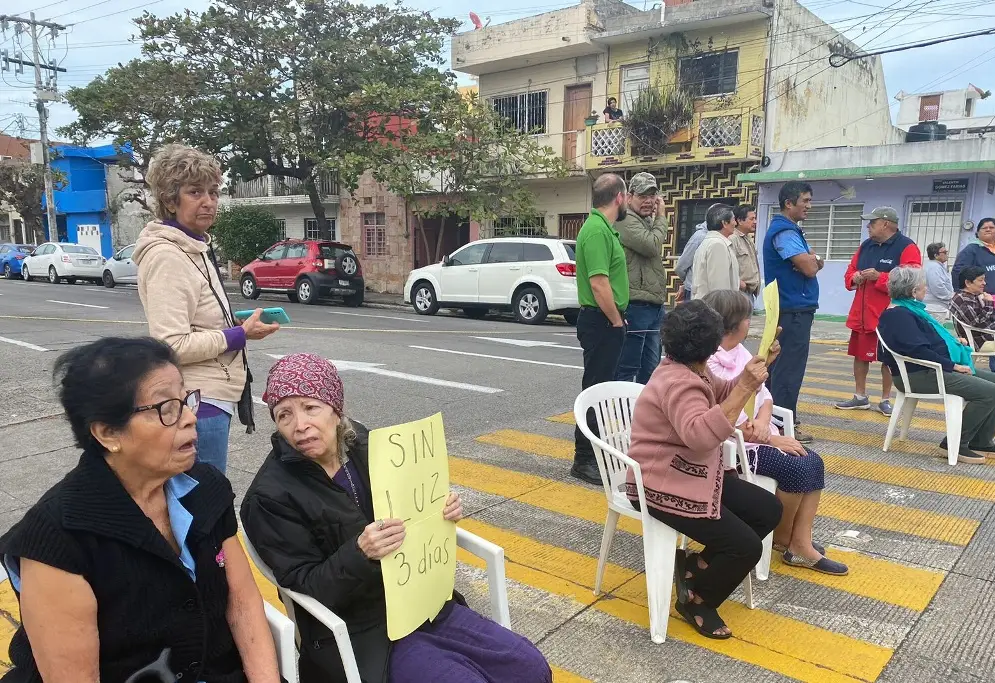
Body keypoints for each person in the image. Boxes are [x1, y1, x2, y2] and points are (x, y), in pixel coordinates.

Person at [241, 353, 552, 683]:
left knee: (529, 666)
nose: (299, 425)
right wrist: (359, 553)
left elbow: (409, 504)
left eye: (310, 408)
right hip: (365, 632)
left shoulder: (363, 443)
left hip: (422, 602)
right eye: (284, 415)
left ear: (335, 408)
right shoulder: (270, 496)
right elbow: (304, 586)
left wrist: (441, 511)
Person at [0, 337, 280, 683]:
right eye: (166, 407)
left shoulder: (205, 488)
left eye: (185, 399)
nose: (190, 417)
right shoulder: (57, 540)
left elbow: (242, 603)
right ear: (107, 433)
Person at [626, 301, 783, 639]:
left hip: (687, 472)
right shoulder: (678, 382)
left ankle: (695, 567)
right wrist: (744, 388)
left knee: (768, 510)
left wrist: (754, 373)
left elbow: (719, 393)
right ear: (711, 344)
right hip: (659, 482)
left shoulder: (691, 369)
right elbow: (699, 437)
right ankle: (697, 600)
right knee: (746, 547)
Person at [136, 144, 279, 473]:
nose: (209, 202)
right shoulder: (167, 255)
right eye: (195, 192)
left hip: (212, 397)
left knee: (204, 498)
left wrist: (240, 329)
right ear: (170, 199)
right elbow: (171, 344)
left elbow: (201, 318)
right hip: (197, 402)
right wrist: (237, 336)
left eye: (213, 192)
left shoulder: (194, 246)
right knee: (203, 503)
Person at [704, 291, 848, 576]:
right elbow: (721, 413)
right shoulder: (710, 362)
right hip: (734, 446)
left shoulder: (741, 352)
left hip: (756, 434)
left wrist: (764, 418)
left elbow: (764, 393)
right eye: (748, 317)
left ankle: (800, 542)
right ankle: (784, 539)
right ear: (736, 324)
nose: (751, 322)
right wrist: (768, 437)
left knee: (813, 461)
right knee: (795, 468)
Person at [877, 266, 995, 464]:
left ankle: (981, 441)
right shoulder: (898, 315)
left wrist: (954, 343)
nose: (926, 289)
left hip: (929, 369)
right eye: (923, 286)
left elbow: (927, 342)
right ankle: (954, 444)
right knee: (990, 392)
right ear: (912, 291)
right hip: (918, 375)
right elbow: (918, 350)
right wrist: (953, 366)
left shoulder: (910, 310)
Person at [572, 173, 630, 485]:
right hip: (602, 319)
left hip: (607, 318)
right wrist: (616, 319)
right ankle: (584, 459)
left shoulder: (604, 229)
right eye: (628, 197)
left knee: (603, 390)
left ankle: (595, 453)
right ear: (619, 197)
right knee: (595, 389)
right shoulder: (596, 230)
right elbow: (598, 282)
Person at [835, 207, 921, 416]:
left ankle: (886, 399)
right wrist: (854, 278)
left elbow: (911, 280)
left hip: (890, 316)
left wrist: (880, 277)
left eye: (872, 223)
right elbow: (850, 270)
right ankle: (860, 396)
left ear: (885, 223)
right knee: (859, 355)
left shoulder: (907, 247)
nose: (868, 226)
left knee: (889, 358)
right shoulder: (866, 246)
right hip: (863, 313)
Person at [763, 181, 822, 444]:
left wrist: (813, 260)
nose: (809, 206)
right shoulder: (784, 232)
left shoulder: (790, 230)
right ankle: (785, 427)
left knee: (778, 369)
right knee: (788, 371)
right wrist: (812, 262)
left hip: (791, 307)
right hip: (792, 309)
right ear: (789, 203)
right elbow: (809, 267)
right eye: (805, 201)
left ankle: (773, 422)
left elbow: (812, 262)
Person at [615, 172, 669, 384]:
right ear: (629, 197)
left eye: (652, 196)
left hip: (653, 303)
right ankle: (621, 411)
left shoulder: (646, 221)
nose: (648, 201)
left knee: (651, 368)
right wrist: (662, 217)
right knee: (629, 366)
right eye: (642, 196)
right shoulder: (626, 219)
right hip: (636, 304)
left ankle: (643, 413)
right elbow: (651, 245)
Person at [949, 265, 995, 401]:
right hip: (981, 342)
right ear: (968, 282)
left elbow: (986, 318)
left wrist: (993, 303)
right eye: (980, 280)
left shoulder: (974, 296)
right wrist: (990, 304)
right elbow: (977, 323)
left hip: (990, 337)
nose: (984, 283)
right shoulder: (962, 299)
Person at [951, 218, 995, 330]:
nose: (988, 230)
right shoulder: (972, 250)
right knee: (990, 340)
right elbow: (958, 272)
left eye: (992, 227)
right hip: (984, 305)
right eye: (984, 228)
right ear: (978, 232)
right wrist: (965, 295)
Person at [674, 203, 726, 302]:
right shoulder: (699, 237)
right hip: (694, 292)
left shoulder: (723, 237)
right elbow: (681, 266)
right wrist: (690, 282)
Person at [691, 205, 740, 300]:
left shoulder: (711, 242)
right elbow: (719, 288)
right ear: (725, 223)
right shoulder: (717, 245)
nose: (735, 223)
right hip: (716, 309)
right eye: (733, 219)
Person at [730, 204, 761, 308]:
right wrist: (739, 283)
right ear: (739, 220)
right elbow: (725, 266)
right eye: (752, 219)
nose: (755, 222)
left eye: (755, 218)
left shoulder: (748, 239)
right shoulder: (732, 239)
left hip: (749, 292)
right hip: (739, 293)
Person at [923, 242, 954, 320]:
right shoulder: (934, 267)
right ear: (936, 255)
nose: (947, 254)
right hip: (934, 307)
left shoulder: (937, 266)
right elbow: (937, 286)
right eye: (944, 252)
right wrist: (950, 296)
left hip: (936, 306)